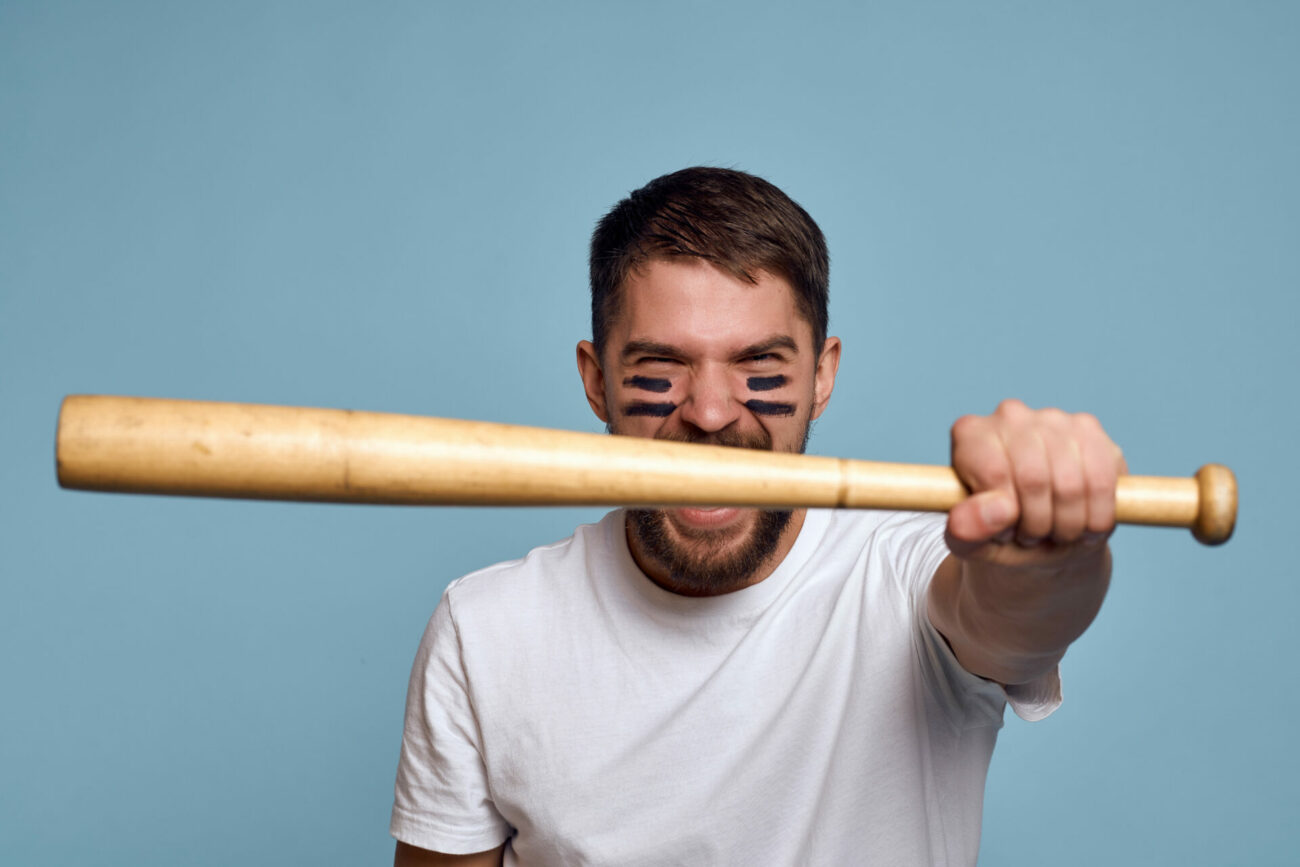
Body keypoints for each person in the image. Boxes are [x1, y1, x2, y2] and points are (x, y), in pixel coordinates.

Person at [390, 167, 1125, 866]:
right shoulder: (485, 629)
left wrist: (1052, 555)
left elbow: (1013, 615)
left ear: (821, 375)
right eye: (658, 369)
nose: (710, 413)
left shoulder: (904, 581)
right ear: (596, 381)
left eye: (760, 368)